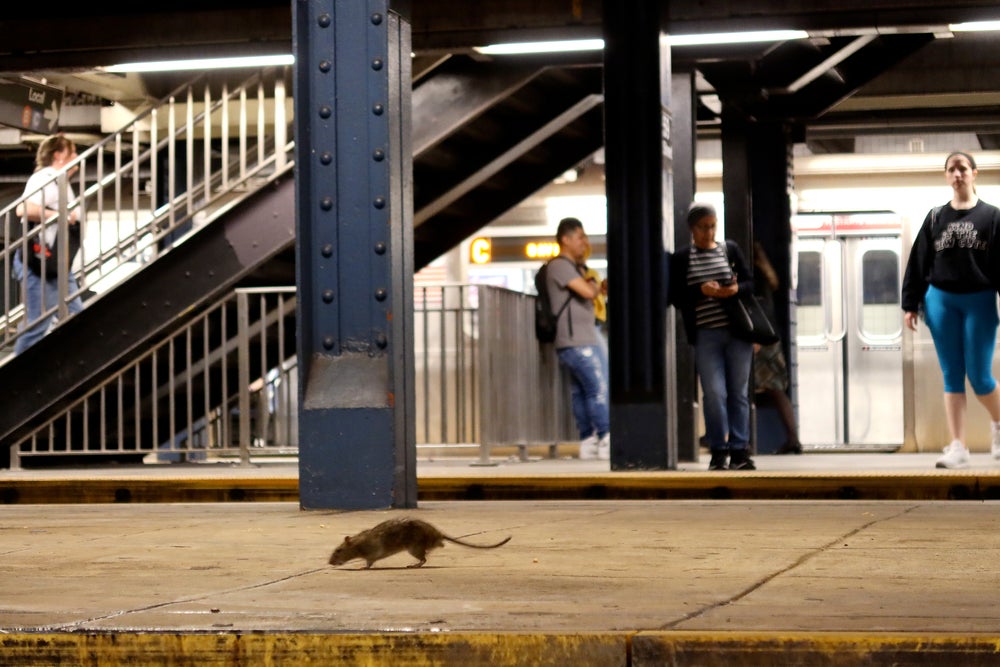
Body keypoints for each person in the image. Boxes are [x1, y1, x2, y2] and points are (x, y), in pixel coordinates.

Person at [901, 150, 1000, 469]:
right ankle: (958, 447)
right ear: (946, 176)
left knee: (980, 376)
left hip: (980, 300)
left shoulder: (992, 217)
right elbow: (919, 261)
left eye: (963, 168)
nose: (957, 174)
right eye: (951, 170)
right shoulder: (935, 218)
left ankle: (999, 426)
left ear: (974, 173)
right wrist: (910, 304)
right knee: (952, 375)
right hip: (940, 300)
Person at [668, 203, 756, 470]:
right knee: (715, 393)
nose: (709, 232)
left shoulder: (729, 250)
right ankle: (718, 449)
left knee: (738, 393)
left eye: (713, 226)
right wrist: (701, 291)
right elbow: (675, 296)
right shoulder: (683, 258)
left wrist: (735, 289)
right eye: (703, 227)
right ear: (692, 229)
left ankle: (739, 450)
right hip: (706, 334)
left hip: (738, 333)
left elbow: (750, 283)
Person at [13, 134, 84, 354]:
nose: (77, 157)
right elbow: (23, 209)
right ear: (58, 155)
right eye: (72, 152)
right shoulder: (45, 177)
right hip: (39, 263)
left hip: (56, 263)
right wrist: (59, 215)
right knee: (38, 323)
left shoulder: (60, 180)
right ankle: (18, 370)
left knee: (77, 314)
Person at [547, 217, 610, 460]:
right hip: (577, 341)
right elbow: (586, 291)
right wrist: (592, 283)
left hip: (578, 339)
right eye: (580, 237)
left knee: (581, 391)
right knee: (597, 387)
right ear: (566, 239)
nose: (585, 242)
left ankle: (588, 441)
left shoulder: (573, 267)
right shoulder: (560, 266)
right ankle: (605, 436)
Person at [751, 241, 802, 455]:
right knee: (776, 389)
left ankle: (743, 440)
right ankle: (792, 438)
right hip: (771, 338)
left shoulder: (754, 275)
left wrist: (755, 338)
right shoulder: (766, 274)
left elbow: (758, 309)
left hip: (760, 340)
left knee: (744, 388)